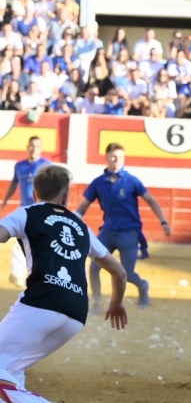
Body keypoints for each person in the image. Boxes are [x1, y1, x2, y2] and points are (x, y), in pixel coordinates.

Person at [0, 165, 127, 396]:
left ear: (35, 194)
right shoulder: (81, 226)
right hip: (76, 315)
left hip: (41, 303)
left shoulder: (27, 212)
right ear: (66, 195)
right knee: (13, 367)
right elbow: (119, 272)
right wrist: (116, 302)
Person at [75, 143, 171, 314]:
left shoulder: (132, 181)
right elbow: (83, 206)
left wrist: (163, 221)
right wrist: (72, 220)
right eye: (113, 156)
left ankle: (142, 286)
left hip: (129, 233)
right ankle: (97, 303)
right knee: (94, 267)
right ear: (106, 158)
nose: (116, 160)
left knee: (126, 273)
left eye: (120, 156)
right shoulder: (98, 183)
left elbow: (150, 200)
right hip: (108, 231)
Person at [1, 136, 51, 288]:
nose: (34, 149)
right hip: (24, 209)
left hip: (41, 209)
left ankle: (41, 274)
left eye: (37, 146)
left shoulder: (46, 165)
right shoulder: (19, 165)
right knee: (19, 240)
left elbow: (53, 186)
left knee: (42, 242)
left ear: (40, 149)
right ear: (27, 147)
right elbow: (13, 184)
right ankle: (17, 274)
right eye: (32, 146)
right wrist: (5, 200)